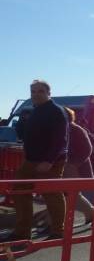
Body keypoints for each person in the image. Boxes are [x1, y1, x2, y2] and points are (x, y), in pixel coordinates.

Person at [1, 79, 69, 243]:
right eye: (33, 92)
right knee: (19, 192)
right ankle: (23, 231)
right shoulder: (34, 111)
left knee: (52, 194)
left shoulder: (56, 111)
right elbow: (24, 135)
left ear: (48, 93)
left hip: (49, 161)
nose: (36, 95)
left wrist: (49, 161)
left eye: (40, 91)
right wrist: (21, 123)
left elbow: (60, 139)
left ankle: (58, 231)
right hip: (31, 160)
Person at [63, 107, 94, 224]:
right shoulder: (64, 129)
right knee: (69, 194)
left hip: (76, 168)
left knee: (71, 194)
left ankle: (91, 213)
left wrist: (74, 164)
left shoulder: (76, 129)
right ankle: (91, 213)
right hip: (68, 167)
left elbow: (87, 149)